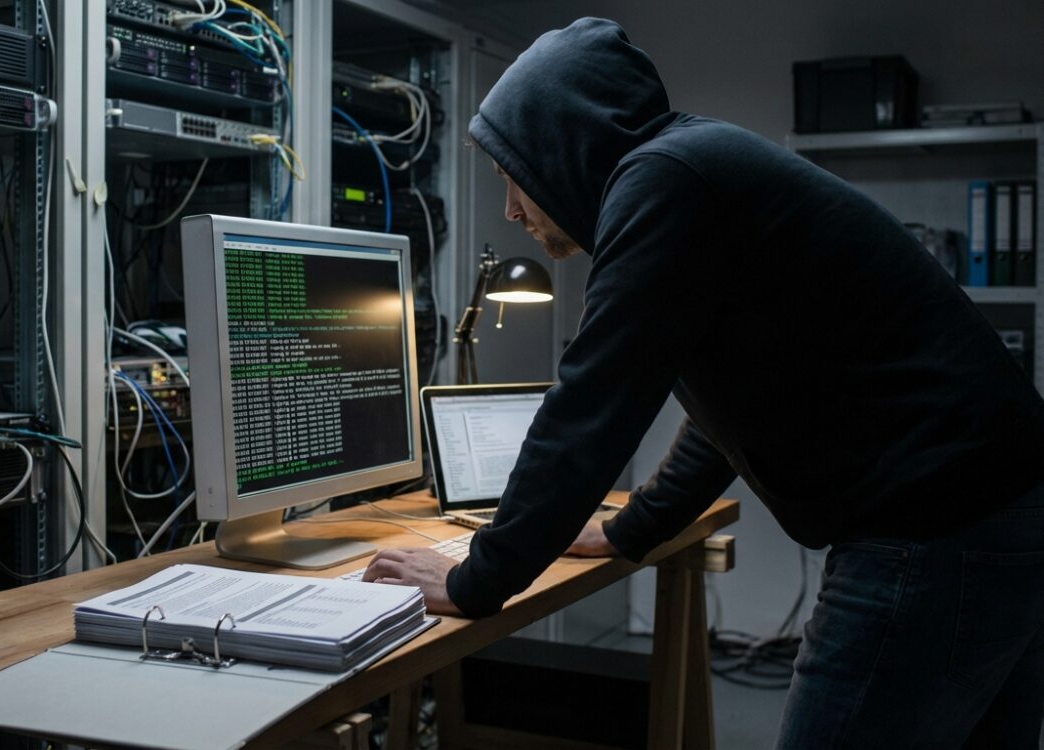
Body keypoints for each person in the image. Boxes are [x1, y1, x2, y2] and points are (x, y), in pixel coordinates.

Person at [363, 17, 1044, 747]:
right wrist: (631, 529)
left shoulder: (662, 180)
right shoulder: (690, 168)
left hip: (937, 532)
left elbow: (593, 404)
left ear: (560, 144)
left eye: (511, 175)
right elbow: (731, 409)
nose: (511, 209)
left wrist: (475, 580)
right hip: (1002, 510)